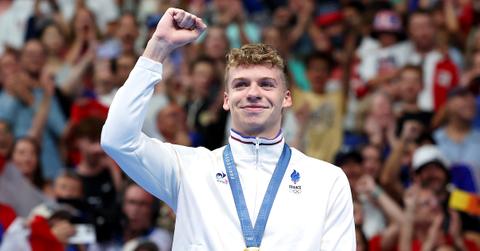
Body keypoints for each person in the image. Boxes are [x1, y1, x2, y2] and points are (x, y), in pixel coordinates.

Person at [101, 7, 355, 250]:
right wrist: (157, 48)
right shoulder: (188, 169)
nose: (253, 93)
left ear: (287, 98)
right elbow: (117, 139)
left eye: (266, 84)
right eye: (241, 84)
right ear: (225, 99)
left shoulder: (327, 180)